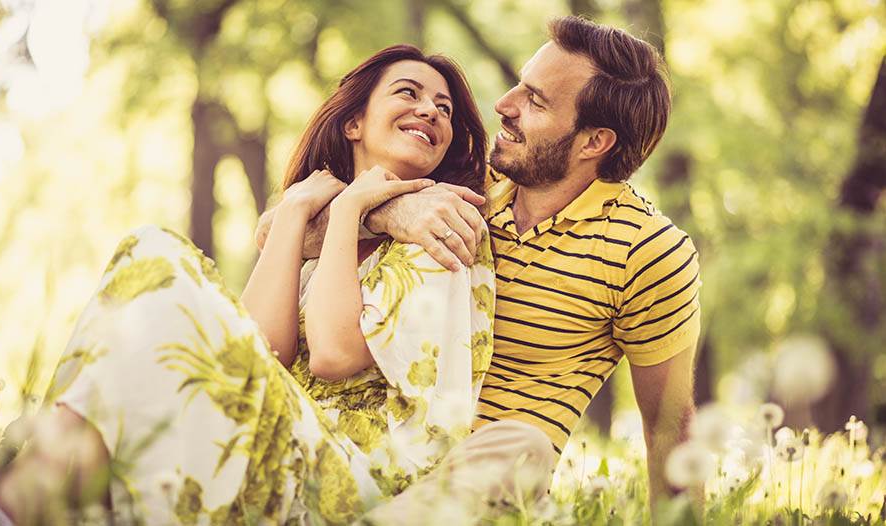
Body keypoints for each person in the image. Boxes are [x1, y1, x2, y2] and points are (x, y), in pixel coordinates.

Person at [0, 45, 501, 525]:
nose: (432, 111)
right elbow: (258, 347)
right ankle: (31, 498)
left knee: (160, 257)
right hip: (281, 440)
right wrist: (298, 209)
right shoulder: (320, 237)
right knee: (148, 262)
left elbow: (334, 354)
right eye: (408, 93)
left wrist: (349, 208)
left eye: (445, 108)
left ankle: (20, 501)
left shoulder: (443, 224)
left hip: (362, 486)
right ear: (353, 122)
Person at [258, 15, 702, 520]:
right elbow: (277, 231)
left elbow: (669, 427)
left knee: (520, 448)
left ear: (593, 142)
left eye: (535, 100)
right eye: (519, 85)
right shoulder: (470, 181)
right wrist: (389, 210)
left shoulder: (647, 251)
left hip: (477, 477)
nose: (503, 105)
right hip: (379, 445)